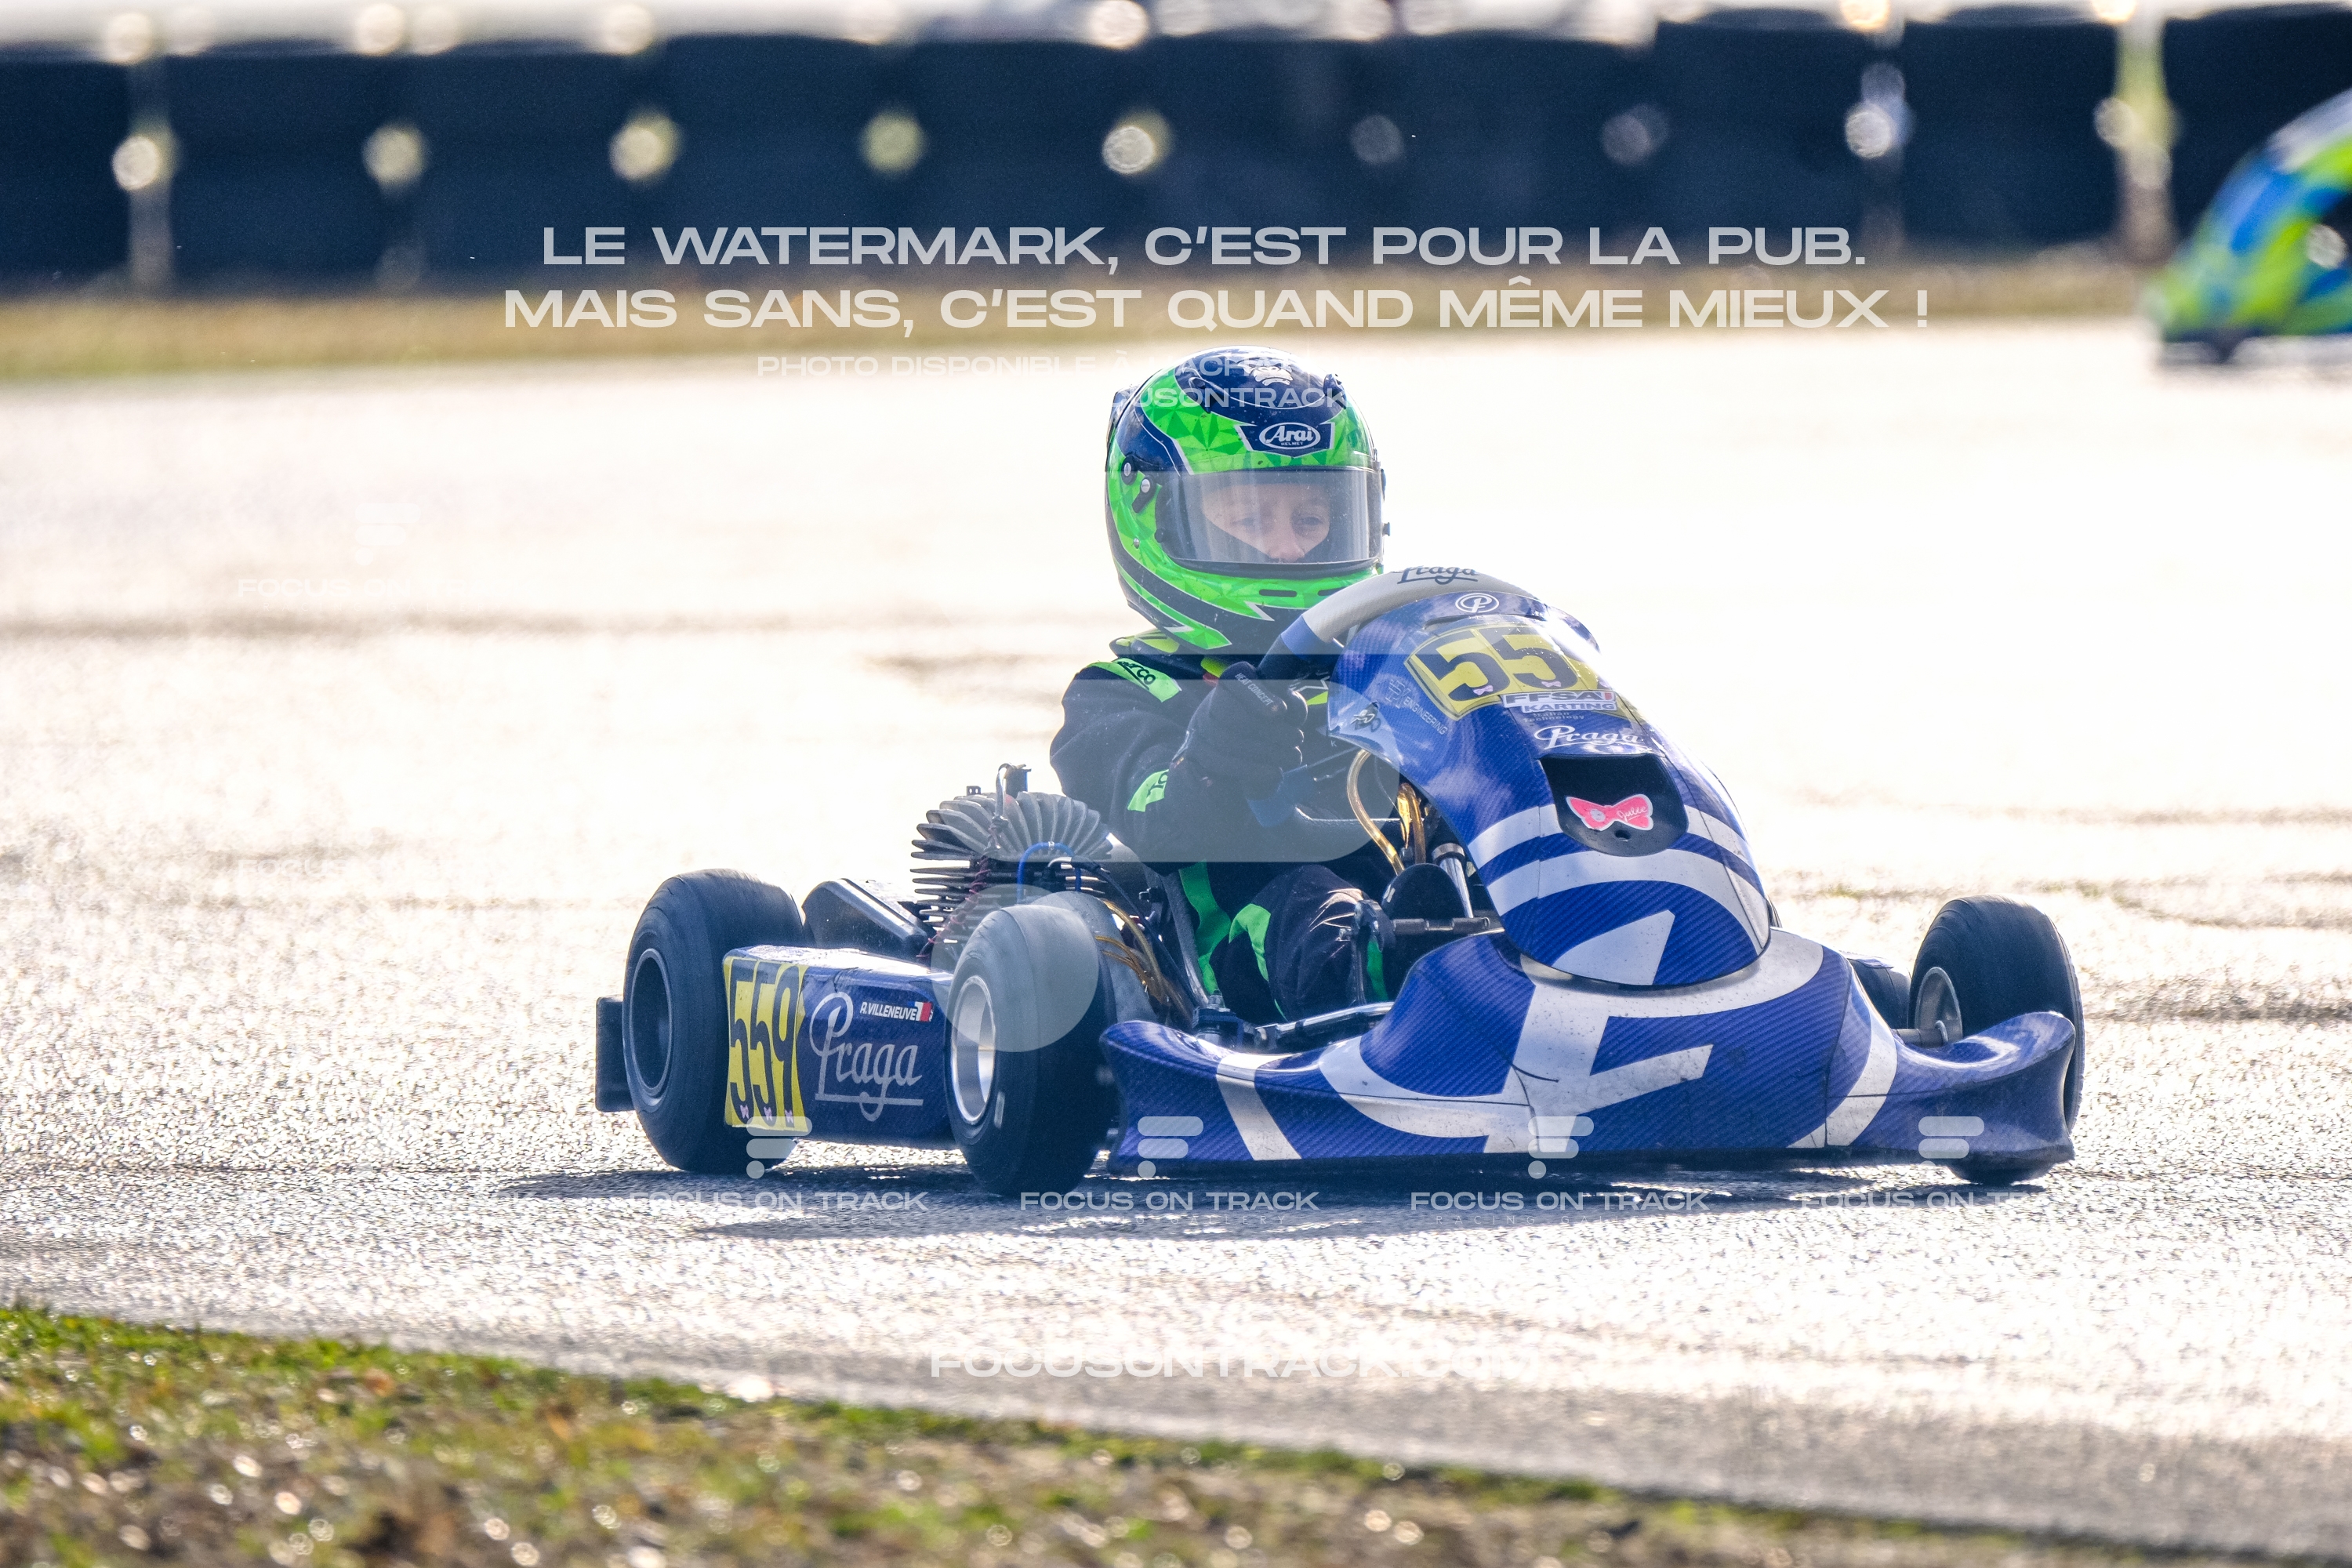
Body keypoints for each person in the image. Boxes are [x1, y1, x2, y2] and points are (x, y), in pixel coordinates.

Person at [1049, 347, 1458, 1023]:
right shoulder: (1121, 691)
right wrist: (1214, 755)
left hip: (1419, 891)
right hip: (1239, 957)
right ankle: (1388, 966)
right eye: (1249, 521)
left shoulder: (1389, 664)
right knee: (1311, 900)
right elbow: (1158, 821)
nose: (1290, 549)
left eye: (1311, 519)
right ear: (1155, 518)